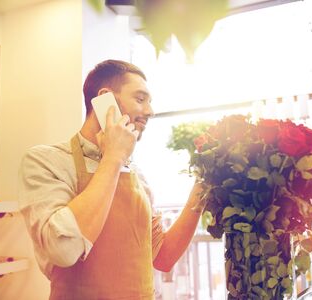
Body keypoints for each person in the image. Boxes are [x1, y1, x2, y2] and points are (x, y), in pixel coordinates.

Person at [18, 59, 204, 300]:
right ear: (106, 100)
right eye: (140, 99)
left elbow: (163, 256)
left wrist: (202, 186)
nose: (150, 111)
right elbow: (64, 250)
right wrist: (113, 157)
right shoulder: (45, 161)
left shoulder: (137, 176)